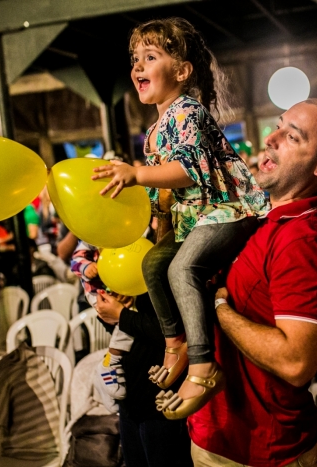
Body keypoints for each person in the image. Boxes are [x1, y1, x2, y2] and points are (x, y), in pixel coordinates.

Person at [161, 99, 317, 466]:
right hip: (217, 436)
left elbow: (297, 364)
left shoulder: (302, 239)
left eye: (292, 136)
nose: (271, 138)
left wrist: (221, 309)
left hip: (265, 450)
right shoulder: (258, 215)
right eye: (278, 126)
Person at [91, 17, 268, 419]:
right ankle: (176, 344)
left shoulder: (188, 112)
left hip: (225, 210)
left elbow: (188, 171)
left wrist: (136, 173)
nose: (137, 66)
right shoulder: (154, 129)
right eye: (135, 58)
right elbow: (164, 197)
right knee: (153, 263)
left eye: (150, 57)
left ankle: (204, 365)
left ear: (182, 71)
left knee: (181, 268)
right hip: (194, 218)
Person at [94, 291, 192, 467]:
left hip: (163, 400)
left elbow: (178, 335)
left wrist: (122, 316)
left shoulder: (166, 274)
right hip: (131, 396)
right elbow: (122, 331)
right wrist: (108, 310)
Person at [71, 240, 135, 400]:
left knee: (129, 327)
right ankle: (110, 363)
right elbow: (74, 262)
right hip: (100, 291)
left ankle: (110, 374)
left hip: (122, 285)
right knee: (127, 323)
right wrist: (87, 267)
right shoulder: (92, 236)